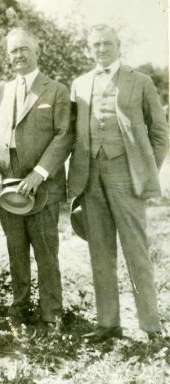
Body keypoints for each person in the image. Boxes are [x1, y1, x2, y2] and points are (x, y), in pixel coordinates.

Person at [69, 24, 168, 342]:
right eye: (96, 45)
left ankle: (151, 326)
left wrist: (144, 170)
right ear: (89, 49)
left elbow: (160, 133)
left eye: (107, 44)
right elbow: (74, 133)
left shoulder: (140, 81)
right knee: (100, 252)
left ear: (118, 45)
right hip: (90, 177)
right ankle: (108, 324)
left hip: (126, 176)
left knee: (136, 251)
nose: (102, 49)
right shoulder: (80, 84)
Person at [0, 28, 73, 329]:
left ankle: (51, 314)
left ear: (36, 51)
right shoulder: (1, 92)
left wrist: (39, 173)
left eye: (23, 49)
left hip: (42, 185)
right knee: (16, 249)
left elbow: (64, 135)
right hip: (7, 185)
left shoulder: (56, 90)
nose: (18, 55)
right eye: (13, 51)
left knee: (45, 252)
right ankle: (19, 307)